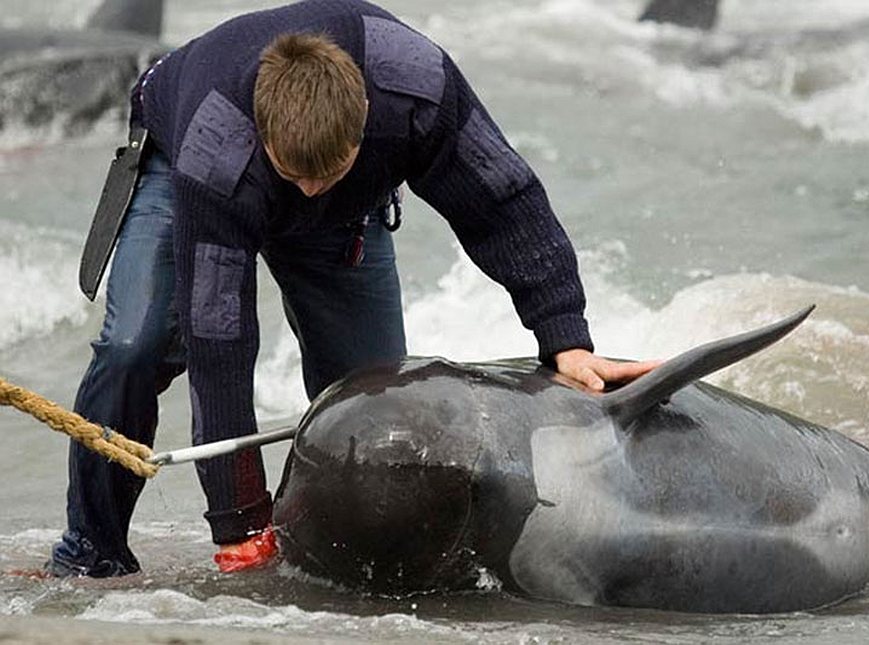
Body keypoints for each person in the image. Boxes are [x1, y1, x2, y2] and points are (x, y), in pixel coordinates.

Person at [48, 0, 658, 577]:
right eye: (295, 175)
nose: (308, 190)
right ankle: (91, 554)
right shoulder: (221, 146)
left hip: (349, 207)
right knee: (135, 345)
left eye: (325, 173)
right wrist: (236, 523)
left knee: (375, 411)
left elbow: (504, 204)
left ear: (365, 118)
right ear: (264, 134)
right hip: (186, 156)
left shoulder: (416, 87)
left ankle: (323, 559)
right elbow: (220, 343)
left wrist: (566, 338)